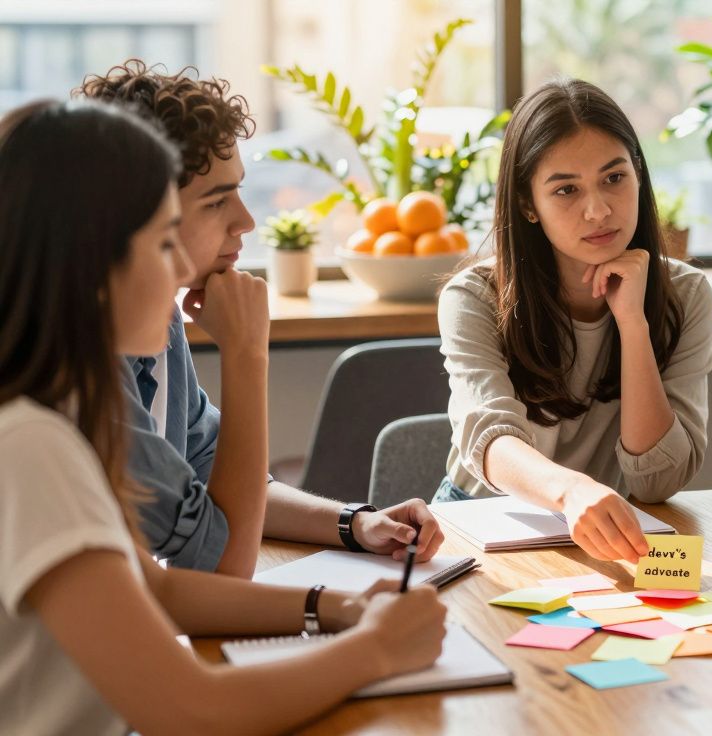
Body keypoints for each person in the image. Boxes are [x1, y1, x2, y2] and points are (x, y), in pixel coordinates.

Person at [0, 98, 446, 736]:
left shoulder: (54, 409)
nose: (182, 267)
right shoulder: (30, 444)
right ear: (92, 267)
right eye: (161, 242)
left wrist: (339, 609)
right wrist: (377, 649)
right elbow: (190, 709)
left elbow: (152, 592)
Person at [78, 61, 443, 578]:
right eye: (217, 201)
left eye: (241, 191)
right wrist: (247, 355)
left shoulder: (157, 322)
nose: (247, 221)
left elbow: (210, 472)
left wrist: (354, 523)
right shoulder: (83, 363)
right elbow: (224, 563)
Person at [437, 79, 712, 563]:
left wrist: (633, 324)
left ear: (638, 174)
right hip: (484, 524)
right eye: (566, 189)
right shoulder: (475, 297)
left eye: (614, 178)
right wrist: (570, 493)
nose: (599, 210)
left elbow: (658, 482)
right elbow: (489, 439)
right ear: (528, 204)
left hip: (607, 532)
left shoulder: (685, 294)